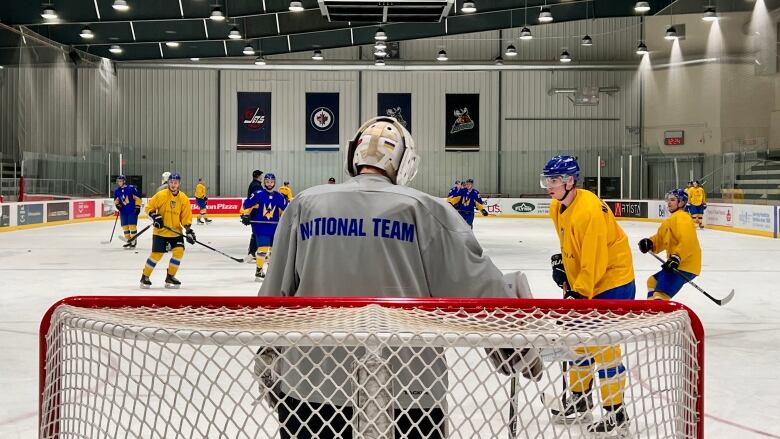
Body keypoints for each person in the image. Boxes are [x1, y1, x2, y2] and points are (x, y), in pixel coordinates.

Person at [257, 116, 540, 439]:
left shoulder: (305, 205)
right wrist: (517, 339)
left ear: (354, 156)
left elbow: (273, 298)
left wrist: (268, 354)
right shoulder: (425, 209)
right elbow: (475, 283)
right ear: (404, 163)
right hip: (409, 390)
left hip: (311, 387)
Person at [541, 155, 635, 435]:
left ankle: (616, 413)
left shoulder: (590, 211)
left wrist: (579, 294)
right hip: (587, 279)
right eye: (547, 179)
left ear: (571, 181)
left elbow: (595, 258)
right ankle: (581, 401)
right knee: (578, 343)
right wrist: (565, 268)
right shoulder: (557, 207)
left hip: (613, 282)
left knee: (604, 348)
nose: (549, 185)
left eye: (554, 180)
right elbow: (572, 245)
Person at [638, 188, 702, 300]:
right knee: (652, 282)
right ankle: (652, 309)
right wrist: (650, 243)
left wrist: (676, 257)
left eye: (672, 200)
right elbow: (661, 239)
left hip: (685, 265)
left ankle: (656, 312)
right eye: (668, 200)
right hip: (679, 264)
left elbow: (687, 241)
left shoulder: (682, 218)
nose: (669, 202)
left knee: (660, 294)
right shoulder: (672, 219)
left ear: (681, 202)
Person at [140, 172, 195, 289]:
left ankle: (170, 276)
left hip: (176, 232)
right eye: (171, 182)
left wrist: (189, 230)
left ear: (179, 184)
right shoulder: (161, 195)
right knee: (157, 255)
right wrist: (155, 216)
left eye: (175, 183)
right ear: (168, 183)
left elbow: (185, 217)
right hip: (160, 232)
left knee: (179, 252)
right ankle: (145, 276)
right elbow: (148, 208)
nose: (173, 184)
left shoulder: (184, 199)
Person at [241, 173, 287, 281]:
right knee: (263, 248)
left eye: (271, 182)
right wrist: (246, 214)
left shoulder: (279, 196)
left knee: (272, 250)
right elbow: (245, 204)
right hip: (260, 225)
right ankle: (259, 271)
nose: (269, 184)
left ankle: (270, 272)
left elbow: (287, 209)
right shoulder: (258, 194)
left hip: (274, 227)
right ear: (264, 182)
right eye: (267, 182)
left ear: (274, 182)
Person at [112, 175, 142, 249]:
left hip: (131, 210)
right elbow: (116, 200)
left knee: (132, 226)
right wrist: (117, 205)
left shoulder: (131, 188)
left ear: (124, 181)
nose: (119, 182)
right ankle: (128, 240)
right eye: (118, 181)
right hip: (123, 211)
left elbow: (137, 198)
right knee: (125, 227)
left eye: (120, 181)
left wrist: (137, 207)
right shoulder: (117, 190)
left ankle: (134, 241)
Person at [245, 170, 264, 262]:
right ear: (258, 176)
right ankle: (252, 252)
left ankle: (252, 252)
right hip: (257, 213)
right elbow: (258, 199)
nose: (262, 177)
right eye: (261, 175)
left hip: (255, 212)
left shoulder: (254, 184)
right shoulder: (256, 185)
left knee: (257, 232)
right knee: (257, 232)